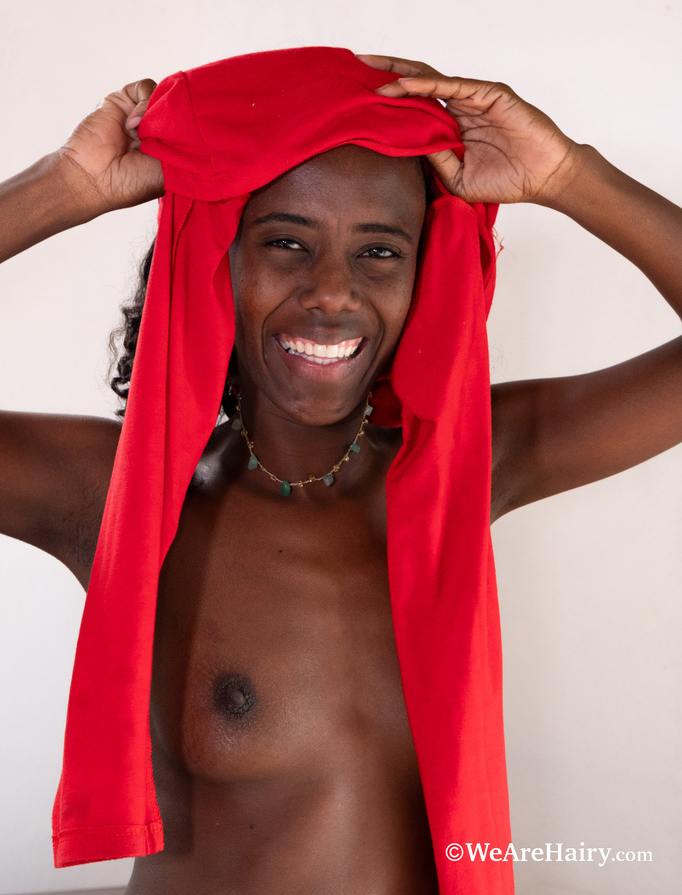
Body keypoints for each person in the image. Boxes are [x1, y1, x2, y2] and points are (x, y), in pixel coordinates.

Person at [1, 48, 680, 895]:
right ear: (216, 257)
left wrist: (570, 175)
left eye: (379, 251)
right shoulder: (114, 494)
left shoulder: (472, 463)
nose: (332, 292)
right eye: (287, 242)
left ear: (424, 275)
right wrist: (65, 184)